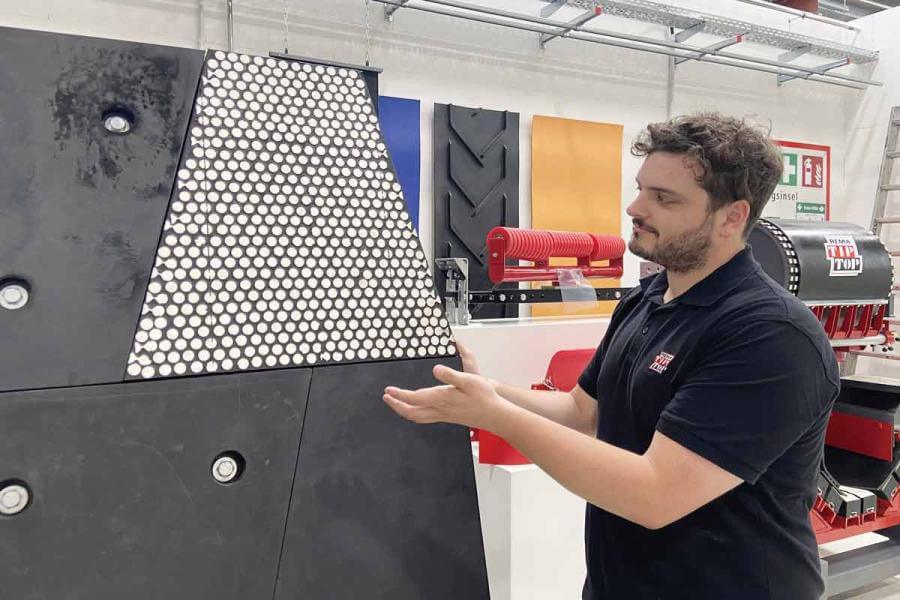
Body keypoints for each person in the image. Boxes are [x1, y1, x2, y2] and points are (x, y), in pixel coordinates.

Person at [383, 112, 839, 599]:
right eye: (642, 188)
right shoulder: (647, 300)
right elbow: (584, 412)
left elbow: (656, 494)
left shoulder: (769, 336)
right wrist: (485, 389)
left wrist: (495, 416)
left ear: (732, 217)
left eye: (663, 198)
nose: (634, 207)